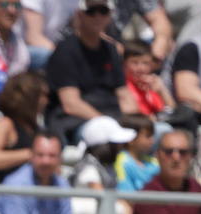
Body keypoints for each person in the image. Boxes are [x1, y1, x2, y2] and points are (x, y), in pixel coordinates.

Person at [44, 0, 136, 146]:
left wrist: (137, 120)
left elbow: (124, 95)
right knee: (102, 134)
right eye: (91, 11)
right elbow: (71, 104)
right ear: (79, 15)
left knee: (155, 131)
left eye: (103, 11)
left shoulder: (111, 50)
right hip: (77, 122)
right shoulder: (65, 51)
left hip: (112, 116)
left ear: (110, 15)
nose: (98, 16)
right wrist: (107, 122)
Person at [0, 70, 45, 178]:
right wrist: (31, 154)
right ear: (29, 96)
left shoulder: (37, 129)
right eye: (42, 95)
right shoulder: (6, 124)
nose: (46, 100)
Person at [121, 41, 169, 120]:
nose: (141, 68)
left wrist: (162, 91)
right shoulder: (123, 86)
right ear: (124, 64)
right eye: (135, 62)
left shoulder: (152, 86)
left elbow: (172, 112)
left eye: (145, 63)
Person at [114, 113, 159, 191]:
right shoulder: (121, 162)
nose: (152, 141)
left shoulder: (154, 162)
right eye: (147, 136)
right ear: (131, 138)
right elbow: (125, 195)